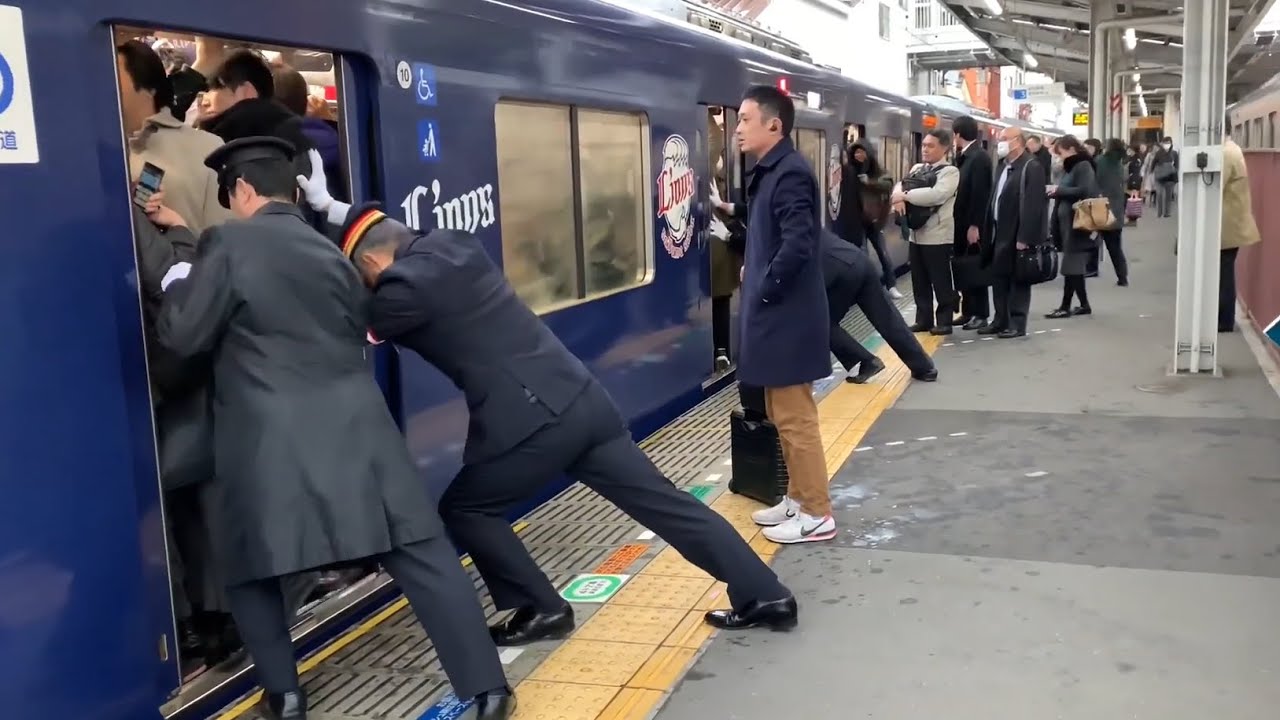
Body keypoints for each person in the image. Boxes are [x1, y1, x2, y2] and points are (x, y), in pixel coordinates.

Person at [289, 153, 798, 642]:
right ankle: (764, 593)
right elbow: (396, 233)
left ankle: (542, 607)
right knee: (667, 506)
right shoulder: (452, 243)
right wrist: (332, 208)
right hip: (582, 400)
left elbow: (350, 320)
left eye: (365, 273)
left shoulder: (402, 290)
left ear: (375, 262)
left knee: (467, 509)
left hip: (532, 421)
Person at [155, 137, 515, 720]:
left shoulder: (225, 242)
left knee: (250, 569)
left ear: (242, 190)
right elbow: (356, 325)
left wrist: (178, 275)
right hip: (361, 429)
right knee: (422, 556)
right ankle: (488, 688)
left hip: (270, 441)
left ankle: (286, 696)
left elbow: (181, 342)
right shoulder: (332, 252)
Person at [711, 85, 834, 545]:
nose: (737, 128)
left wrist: (763, 288)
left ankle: (817, 512)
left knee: (796, 417)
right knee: (782, 414)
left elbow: (799, 243)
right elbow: (772, 222)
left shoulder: (790, 173)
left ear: (774, 125)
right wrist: (732, 210)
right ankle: (798, 499)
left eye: (744, 119)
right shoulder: (773, 172)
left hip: (787, 315)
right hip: (778, 313)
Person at [820, 229, 937, 384]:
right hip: (858, 259)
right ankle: (924, 368)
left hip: (838, 272)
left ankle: (865, 362)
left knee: (819, 323)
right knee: (887, 317)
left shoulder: (784, 230)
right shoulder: (799, 220)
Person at [980, 127, 1048, 339]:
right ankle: (1000, 319)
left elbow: (1034, 205)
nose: (1000, 143)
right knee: (999, 276)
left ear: (1018, 142)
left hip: (1017, 231)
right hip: (998, 230)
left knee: (1018, 279)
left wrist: (1024, 237)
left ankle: (1017, 323)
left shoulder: (1031, 167)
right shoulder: (1002, 166)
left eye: (1004, 139)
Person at [893, 128, 960, 336]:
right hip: (916, 233)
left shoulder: (950, 172)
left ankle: (944, 321)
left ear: (944, 148)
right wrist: (898, 194)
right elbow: (899, 184)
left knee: (940, 280)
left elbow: (936, 195)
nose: (925, 149)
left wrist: (904, 195)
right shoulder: (918, 168)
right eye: (924, 145)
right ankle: (923, 319)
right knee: (919, 280)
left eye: (931, 146)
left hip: (938, 235)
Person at [1046, 135, 1099, 318]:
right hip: (1069, 223)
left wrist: (1058, 190)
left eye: (1060, 154)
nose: (1059, 158)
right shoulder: (1073, 166)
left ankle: (1065, 306)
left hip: (1078, 223)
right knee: (1073, 266)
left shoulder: (1083, 165)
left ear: (1070, 149)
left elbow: (1086, 191)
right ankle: (1083, 305)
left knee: (1071, 265)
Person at [950, 115, 994, 331]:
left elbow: (980, 195)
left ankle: (981, 313)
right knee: (965, 268)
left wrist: (975, 226)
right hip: (961, 224)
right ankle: (967, 312)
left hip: (971, 225)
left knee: (976, 268)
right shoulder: (967, 156)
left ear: (957, 134)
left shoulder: (978, 158)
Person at [1220, 119, 1261, 333]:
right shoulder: (1233, 149)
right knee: (1224, 271)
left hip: (1228, 225)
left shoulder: (1227, 153)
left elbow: (1216, 185)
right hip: (1231, 223)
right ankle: (1224, 317)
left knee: (1224, 274)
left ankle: (1224, 320)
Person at [1093, 138, 1130, 286]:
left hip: (1101, 206)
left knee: (1090, 240)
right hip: (1117, 208)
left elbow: (1094, 180)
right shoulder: (1120, 164)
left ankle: (1089, 269)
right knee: (1115, 246)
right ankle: (1122, 276)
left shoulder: (1100, 161)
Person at [1151, 136, 1179, 217]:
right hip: (1160, 177)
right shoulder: (1159, 153)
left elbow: (1177, 165)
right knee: (1159, 194)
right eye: (1165, 143)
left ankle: (1167, 212)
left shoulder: (1174, 153)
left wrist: (1174, 170)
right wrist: (1152, 171)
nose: (1166, 145)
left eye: (1168, 143)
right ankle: (1159, 212)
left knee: (1168, 196)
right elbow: (1154, 162)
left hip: (1170, 177)